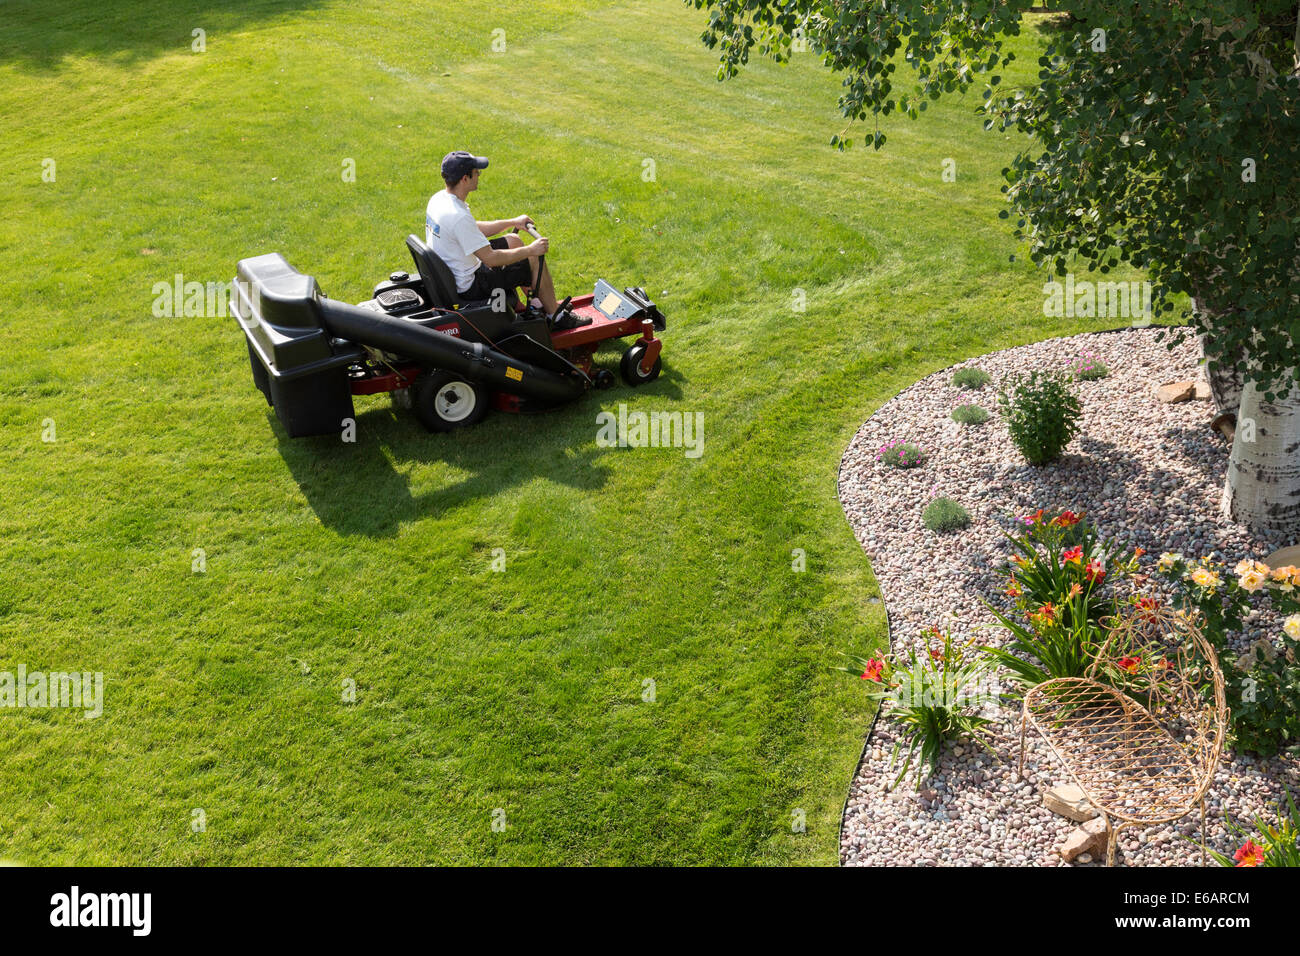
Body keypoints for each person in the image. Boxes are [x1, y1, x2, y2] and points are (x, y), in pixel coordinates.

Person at [425, 151, 588, 329]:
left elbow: (473, 229)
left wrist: (513, 222)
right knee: (533, 259)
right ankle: (555, 318)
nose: (479, 175)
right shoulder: (457, 216)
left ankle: (538, 304)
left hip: (456, 270)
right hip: (471, 285)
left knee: (513, 240)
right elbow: (491, 258)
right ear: (465, 178)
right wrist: (531, 250)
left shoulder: (440, 200)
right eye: (476, 172)